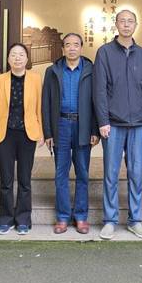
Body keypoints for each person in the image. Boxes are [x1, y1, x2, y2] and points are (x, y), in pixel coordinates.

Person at [93, 9, 142, 240]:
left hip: (138, 123)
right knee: (111, 173)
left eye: (130, 21)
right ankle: (110, 220)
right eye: (122, 21)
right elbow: (99, 90)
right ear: (116, 24)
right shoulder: (105, 52)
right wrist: (103, 120)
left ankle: (135, 220)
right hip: (113, 124)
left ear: (136, 25)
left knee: (136, 173)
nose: (126, 25)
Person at [42, 32, 99, 234]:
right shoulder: (53, 71)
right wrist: (48, 132)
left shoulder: (91, 70)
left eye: (76, 44)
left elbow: (96, 101)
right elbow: (46, 102)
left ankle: (81, 216)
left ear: (81, 48)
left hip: (83, 126)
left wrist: (94, 129)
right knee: (61, 173)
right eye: (68, 45)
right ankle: (63, 217)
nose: (72, 48)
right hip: (61, 126)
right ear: (63, 48)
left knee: (82, 172)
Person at [0, 43, 43, 235]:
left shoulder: (36, 79)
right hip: (5, 134)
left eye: (21, 55)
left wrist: (41, 132)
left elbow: (40, 107)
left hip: (27, 134)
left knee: (25, 179)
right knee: (6, 179)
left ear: (27, 59)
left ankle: (23, 219)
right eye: (13, 55)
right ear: (8, 59)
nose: (17, 58)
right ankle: (5, 219)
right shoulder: (0, 80)